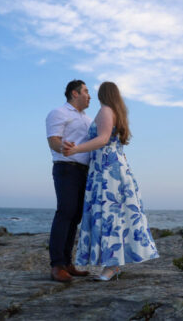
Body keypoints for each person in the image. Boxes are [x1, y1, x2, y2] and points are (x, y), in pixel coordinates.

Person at [62, 81, 159, 281]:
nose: (91, 95)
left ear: (103, 94)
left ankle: (112, 266)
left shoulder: (106, 110)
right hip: (111, 168)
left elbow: (103, 139)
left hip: (107, 171)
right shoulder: (115, 111)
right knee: (114, 215)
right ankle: (112, 264)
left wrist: (76, 150)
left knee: (109, 215)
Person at [45, 79, 93, 282]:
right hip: (66, 168)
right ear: (75, 93)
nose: (89, 96)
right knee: (65, 213)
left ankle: (67, 263)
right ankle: (57, 265)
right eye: (86, 91)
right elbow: (53, 140)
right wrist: (63, 146)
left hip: (85, 171)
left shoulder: (87, 118)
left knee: (75, 217)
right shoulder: (59, 112)